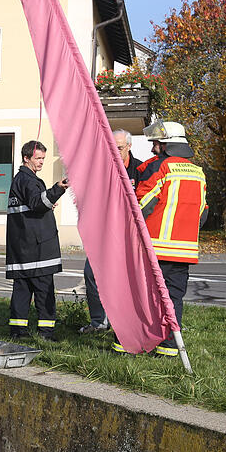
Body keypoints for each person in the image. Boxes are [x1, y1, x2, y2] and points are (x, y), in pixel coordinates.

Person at [113, 120, 208, 356]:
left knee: (139, 297)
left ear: (165, 145)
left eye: (156, 142)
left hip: (154, 249)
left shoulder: (158, 168)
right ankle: (169, 347)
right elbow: (202, 213)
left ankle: (125, 343)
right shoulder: (199, 173)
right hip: (184, 251)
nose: (153, 146)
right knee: (173, 299)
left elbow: (141, 207)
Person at [80, 129, 142, 334]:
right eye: (112, 148)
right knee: (92, 274)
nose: (115, 152)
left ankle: (124, 323)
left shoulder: (140, 170)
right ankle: (98, 322)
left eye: (120, 148)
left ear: (129, 147)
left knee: (124, 281)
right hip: (103, 233)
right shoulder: (102, 169)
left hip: (128, 236)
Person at [6, 140, 69, 341]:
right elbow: (37, 202)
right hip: (37, 249)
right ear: (26, 158)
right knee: (44, 291)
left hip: (23, 247)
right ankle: (46, 333)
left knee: (22, 291)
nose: (41, 162)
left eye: (43, 158)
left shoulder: (20, 180)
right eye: (38, 158)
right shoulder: (28, 180)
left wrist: (46, 202)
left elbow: (33, 205)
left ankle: (18, 331)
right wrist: (58, 188)